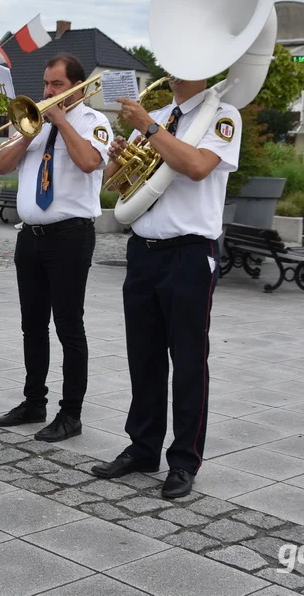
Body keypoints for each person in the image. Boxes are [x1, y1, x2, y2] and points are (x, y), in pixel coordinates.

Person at [90, 77, 240, 500]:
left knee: (189, 360)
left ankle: (185, 460)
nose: (175, 71)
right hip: (143, 250)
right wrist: (121, 157)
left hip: (189, 253)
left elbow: (196, 167)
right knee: (144, 356)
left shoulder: (222, 116)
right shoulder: (154, 117)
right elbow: (113, 185)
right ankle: (142, 448)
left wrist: (152, 132)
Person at [0, 54, 111, 442]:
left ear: (75, 86)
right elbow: (1, 166)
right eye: (46, 84)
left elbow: (90, 162)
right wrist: (28, 132)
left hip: (70, 236)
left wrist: (60, 119)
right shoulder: (34, 123)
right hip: (31, 237)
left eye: (56, 85)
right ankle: (33, 401)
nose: (47, 92)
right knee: (32, 326)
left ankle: (71, 413)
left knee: (69, 327)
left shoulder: (94, 123)